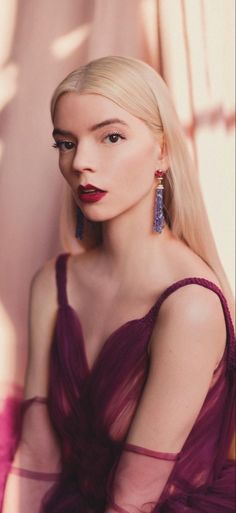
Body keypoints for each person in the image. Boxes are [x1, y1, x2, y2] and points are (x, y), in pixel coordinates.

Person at [1, 55, 235, 513]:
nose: (81, 162)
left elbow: (134, 497)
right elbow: (37, 452)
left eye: (110, 137)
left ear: (163, 152)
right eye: (65, 143)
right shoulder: (53, 282)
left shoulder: (189, 305)